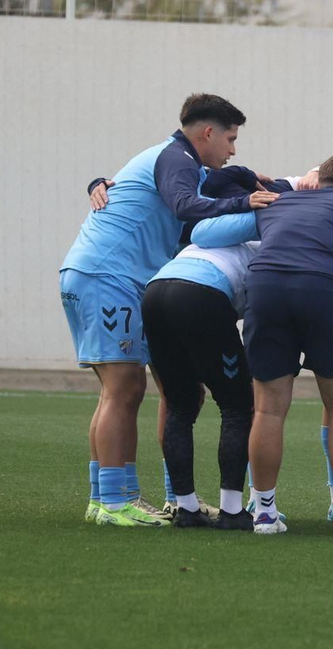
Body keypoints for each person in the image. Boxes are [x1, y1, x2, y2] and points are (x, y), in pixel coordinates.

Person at [61, 94, 275, 528]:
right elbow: (184, 207)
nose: (233, 149)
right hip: (109, 277)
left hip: (108, 276)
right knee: (124, 390)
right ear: (208, 133)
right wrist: (244, 204)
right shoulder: (177, 158)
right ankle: (117, 501)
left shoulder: (176, 160)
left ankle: (120, 498)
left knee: (156, 392)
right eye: (231, 139)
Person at [192, 150, 333, 538]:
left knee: (267, 410)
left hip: (265, 289)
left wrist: (251, 205)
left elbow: (202, 234)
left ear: (320, 181)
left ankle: (263, 513)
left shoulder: (280, 200)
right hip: (326, 289)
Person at [141, 167, 294, 531]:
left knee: (180, 405)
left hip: (157, 289)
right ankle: (231, 511)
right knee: (238, 407)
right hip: (202, 295)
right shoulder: (262, 232)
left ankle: (187, 508)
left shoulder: (209, 227)